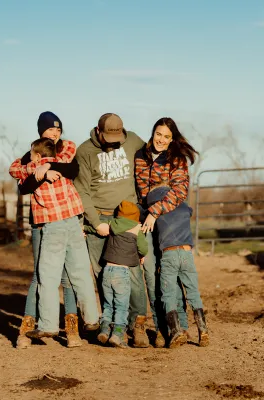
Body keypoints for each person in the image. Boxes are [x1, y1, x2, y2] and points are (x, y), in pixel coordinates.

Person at [11, 135, 100, 341]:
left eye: (32, 154)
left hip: (53, 224)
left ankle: (48, 324)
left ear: (38, 155)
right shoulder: (64, 163)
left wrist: (40, 168)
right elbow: (69, 151)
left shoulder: (35, 170)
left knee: (48, 277)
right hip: (74, 222)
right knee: (80, 273)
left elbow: (20, 181)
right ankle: (92, 319)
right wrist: (50, 165)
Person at [74, 113, 151, 347]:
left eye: (116, 137)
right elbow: (83, 190)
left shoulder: (134, 140)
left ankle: (137, 325)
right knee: (104, 275)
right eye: (107, 137)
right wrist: (96, 222)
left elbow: (153, 159)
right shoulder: (85, 151)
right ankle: (108, 324)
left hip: (127, 218)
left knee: (134, 274)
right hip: (100, 218)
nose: (112, 142)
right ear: (98, 131)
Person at [9, 111, 83, 348]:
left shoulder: (66, 149)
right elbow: (24, 186)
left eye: (58, 129)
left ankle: (72, 329)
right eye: (51, 129)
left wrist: (46, 166)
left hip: (66, 218)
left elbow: (72, 170)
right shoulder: (30, 155)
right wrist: (37, 170)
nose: (55, 133)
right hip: (41, 221)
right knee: (40, 274)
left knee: (68, 274)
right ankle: (27, 328)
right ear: (41, 130)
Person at [135, 117, 210, 348]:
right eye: (159, 134)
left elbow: (179, 192)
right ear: (153, 132)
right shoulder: (140, 156)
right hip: (145, 218)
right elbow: (139, 193)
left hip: (165, 218)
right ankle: (161, 326)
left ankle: (181, 328)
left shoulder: (176, 159)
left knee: (173, 273)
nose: (162, 139)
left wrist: (155, 212)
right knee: (150, 271)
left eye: (167, 136)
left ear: (172, 138)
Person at [91, 200, 148, 348]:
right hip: (121, 273)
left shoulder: (112, 224)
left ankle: (104, 330)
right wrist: (141, 254)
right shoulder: (136, 228)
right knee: (121, 306)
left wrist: (84, 228)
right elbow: (143, 249)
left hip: (107, 271)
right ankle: (117, 335)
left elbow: (95, 229)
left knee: (108, 304)